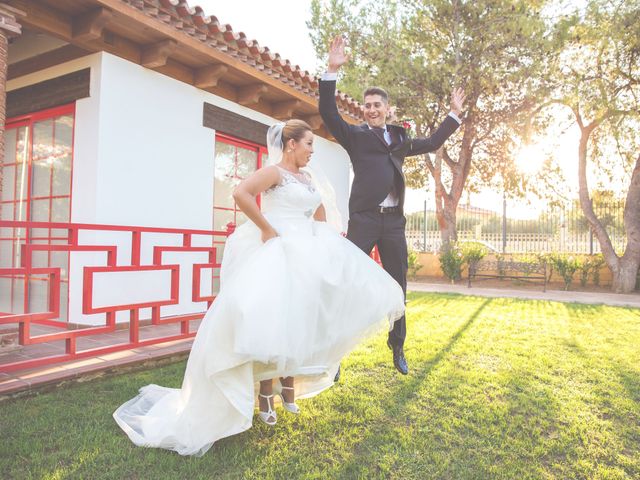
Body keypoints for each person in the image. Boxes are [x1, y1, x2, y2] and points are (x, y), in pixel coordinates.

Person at [113, 119, 405, 456]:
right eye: (309, 143)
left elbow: (319, 210)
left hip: (305, 253)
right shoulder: (274, 173)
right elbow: (241, 193)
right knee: (270, 319)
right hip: (277, 249)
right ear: (291, 143)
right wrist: (266, 228)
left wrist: (319, 237)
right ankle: (266, 392)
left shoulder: (307, 179)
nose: (312, 151)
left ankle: (287, 384)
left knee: (300, 318)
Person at [319, 36, 466, 376]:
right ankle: (336, 354)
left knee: (399, 287)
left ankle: (397, 347)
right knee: (347, 283)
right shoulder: (355, 136)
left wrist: (453, 115)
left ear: (386, 109)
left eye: (376, 105)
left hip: (393, 224)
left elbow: (431, 142)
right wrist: (331, 70)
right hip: (364, 221)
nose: (370, 109)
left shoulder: (399, 140)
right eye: (366, 105)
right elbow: (328, 112)